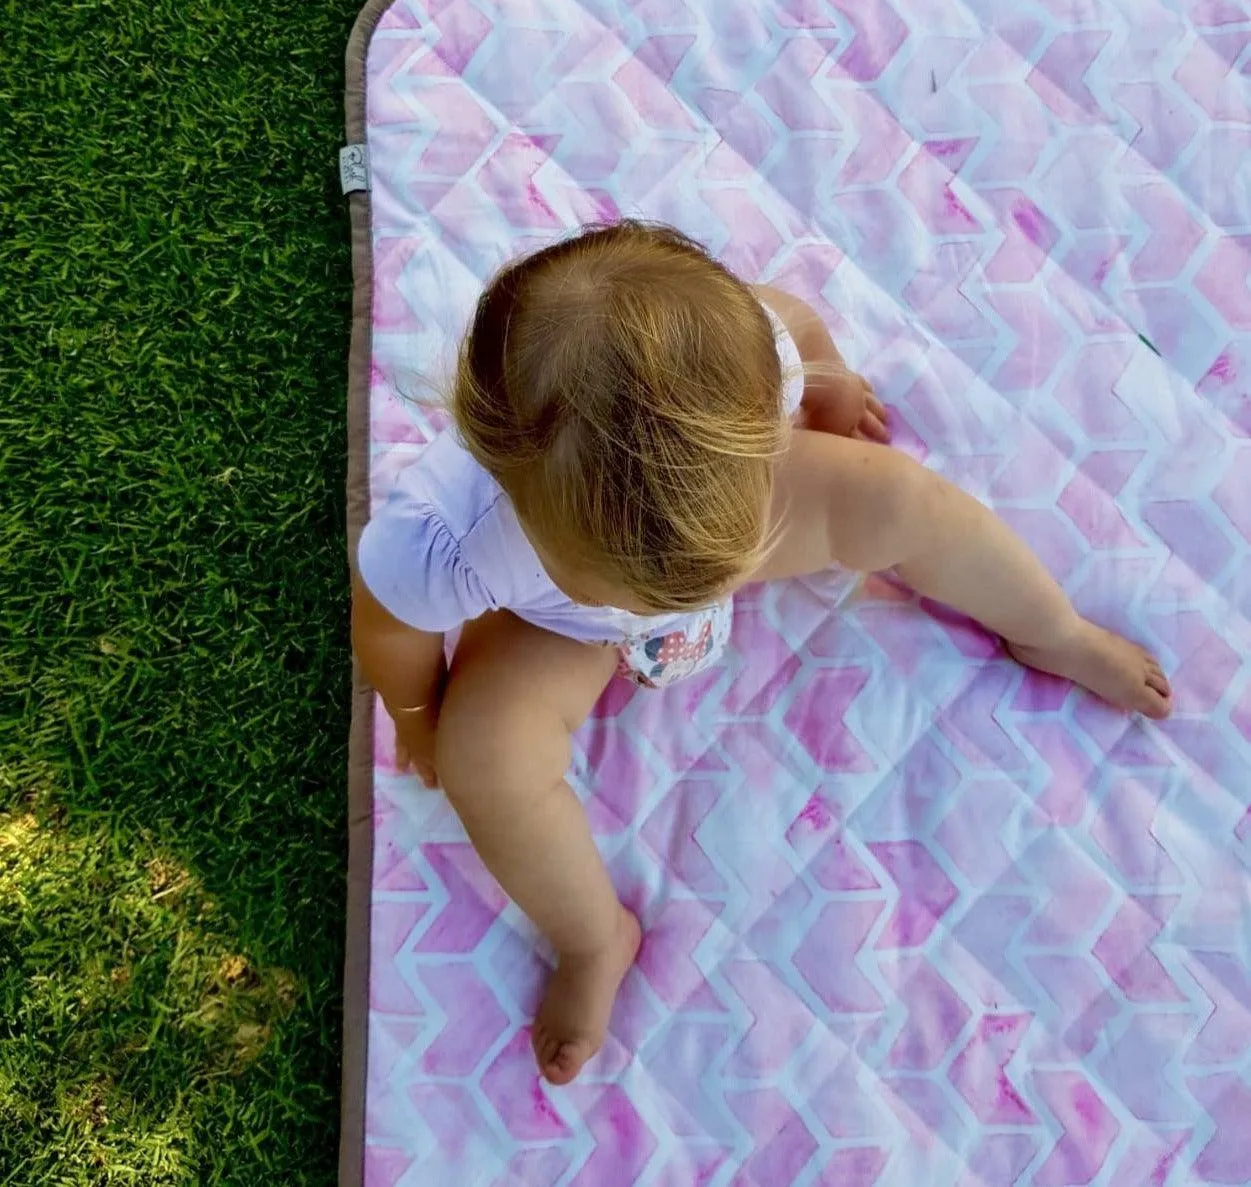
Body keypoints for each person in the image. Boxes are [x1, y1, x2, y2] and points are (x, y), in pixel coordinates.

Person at [352, 221, 1171, 1086]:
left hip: (732, 514)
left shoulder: (753, 360)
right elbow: (389, 625)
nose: (665, 601)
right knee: (485, 757)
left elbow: (803, 333)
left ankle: (1051, 628)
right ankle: (594, 937)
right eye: (631, 582)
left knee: (899, 499)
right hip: (561, 625)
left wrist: (833, 401)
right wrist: (418, 714)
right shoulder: (445, 541)